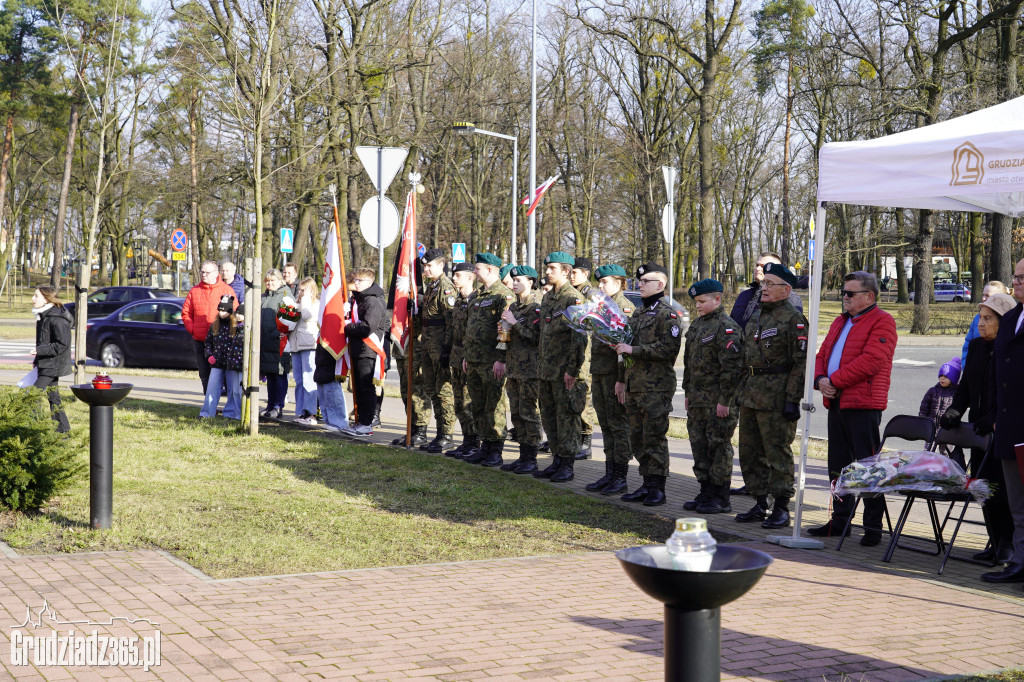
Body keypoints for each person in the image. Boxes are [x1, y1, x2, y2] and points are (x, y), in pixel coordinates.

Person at [809, 270, 897, 545]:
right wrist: (820, 380)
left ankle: (873, 527)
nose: (844, 297)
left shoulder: (883, 321)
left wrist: (833, 380)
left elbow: (872, 361)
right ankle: (840, 521)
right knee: (838, 466)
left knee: (869, 467)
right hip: (837, 401)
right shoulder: (840, 321)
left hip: (862, 404)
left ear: (869, 296)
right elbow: (822, 355)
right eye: (843, 292)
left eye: (850, 293)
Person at [941, 292, 1016, 565]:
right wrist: (954, 411)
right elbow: (967, 389)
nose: (981, 324)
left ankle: (1007, 544)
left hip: (1001, 427)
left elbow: (1008, 391)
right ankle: (994, 543)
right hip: (978, 430)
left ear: (1004, 321)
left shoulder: (1009, 349)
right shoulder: (975, 347)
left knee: (1003, 491)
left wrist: (992, 418)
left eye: (987, 319)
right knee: (983, 488)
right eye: (980, 318)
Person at [733, 262, 808, 528]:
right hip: (751, 394)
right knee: (750, 451)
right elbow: (745, 357)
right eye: (763, 283)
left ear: (786, 290)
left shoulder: (794, 319)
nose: (763, 288)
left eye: (769, 284)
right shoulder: (755, 316)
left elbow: (800, 364)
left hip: (777, 396)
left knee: (777, 452)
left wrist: (792, 399)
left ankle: (782, 506)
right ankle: (759, 502)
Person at [614, 263, 682, 506]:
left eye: (645, 282)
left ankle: (658, 488)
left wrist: (634, 349)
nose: (640, 285)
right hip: (634, 385)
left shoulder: (667, 314)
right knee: (638, 438)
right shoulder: (639, 314)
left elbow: (669, 348)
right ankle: (645, 484)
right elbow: (626, 351)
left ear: (660, 285)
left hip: (656, 388)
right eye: (639, 282)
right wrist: (621, 379)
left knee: (654, 438)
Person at [681, 279, 745, 514]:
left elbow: (732, 369)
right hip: (698, 399)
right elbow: (689, 364)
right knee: (699, 445)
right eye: (696, 302)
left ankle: (721, 496)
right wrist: (688, 392)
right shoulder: (698, 326)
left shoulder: (727, 327)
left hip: (718, 401)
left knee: (718, 446)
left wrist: (725, 401)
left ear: (717, 300)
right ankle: (705, 490)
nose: (697, 305)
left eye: (702, 301)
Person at [980, 259, 1024, 583]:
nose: (1016, 283)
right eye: (1015, 278)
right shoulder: (1010, 318)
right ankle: (1020, 562)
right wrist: (995, 416)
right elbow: (997, 373)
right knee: (1017, 504)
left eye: (1022, 278)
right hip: (1009, 427)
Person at [533, 252, 588, 482]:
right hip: (546, 370)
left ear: (565, 271)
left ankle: (567, 464)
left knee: (567, 419)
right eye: (546, 267)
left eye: (552, 268)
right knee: (549, 418)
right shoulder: (548, 298)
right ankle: (556, 460)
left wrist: (572, 371)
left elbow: (579, 338)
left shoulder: (573, 299)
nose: (547, 272)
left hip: (564, 371)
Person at [584, 264, 635, 494]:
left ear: (619, 283)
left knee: (618, 425)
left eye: (605, 282)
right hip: (600, 373)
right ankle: (609, 472)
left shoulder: (624, 308)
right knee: (605, 425)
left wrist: (622, 379)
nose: (600, 286)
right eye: (599, 282)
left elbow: (627, 349)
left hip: (615, 376)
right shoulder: (602, 306)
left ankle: (621, 476)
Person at [461, 253, 515, 466]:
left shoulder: (503, 294)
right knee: (478, 405)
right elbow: (470, 328)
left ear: (491, 270)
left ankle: (496, 449)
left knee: (494, 405)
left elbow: (506, 330)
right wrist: (466, 356)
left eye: (477, 269)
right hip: (474, 360)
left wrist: (501, 359)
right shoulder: (476, 295)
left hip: (492, 361)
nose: (474, 273)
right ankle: (484, 446)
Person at [498, 265, 543, 473]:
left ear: (531, 282)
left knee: (529, 414)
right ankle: (522, 456)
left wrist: (514, 323)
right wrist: (504, 329)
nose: (514, 283)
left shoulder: (535, 306)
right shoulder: (514, 307)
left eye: (519, 280)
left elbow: (535, 338)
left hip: (530, 369)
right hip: (514, 368)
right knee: (516, 414)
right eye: (513, 280)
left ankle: (531, 458)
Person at [418, 249, 457, 453]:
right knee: (432, 390)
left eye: (430, 265)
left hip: (440, 346)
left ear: (441, 265)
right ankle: (439, 433)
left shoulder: (445, 287)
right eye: (425, 266)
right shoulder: (431, 286)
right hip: (428, 345)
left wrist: (447, 349)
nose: (426, 269)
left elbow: (451, 321)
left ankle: (447, 435)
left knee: (444, 392)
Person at [342, 268, 389, 436]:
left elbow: (366, 327)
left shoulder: (372, 301)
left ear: (369, 283)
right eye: (354, 280)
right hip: (358, 349)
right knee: (359, 388)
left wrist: (346, 327)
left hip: (367, 349)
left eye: (358, 281)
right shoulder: (359, 299)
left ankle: (366, 423)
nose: (355, 283)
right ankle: (361, 421)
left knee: (366, 388)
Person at [183, 260, 236, 393]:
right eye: (202, 272)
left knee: (222, 374)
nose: (204, 275)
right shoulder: (194, 291)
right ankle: (209, 404)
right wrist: (193, 329)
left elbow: (233, 314)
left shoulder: (226, 290)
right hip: (200, 339)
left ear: (215, 273)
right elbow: (186, 313)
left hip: (220, 340)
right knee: (204, 374)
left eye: (207, 272)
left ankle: (227, 406)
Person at [444, 262, 479, 457]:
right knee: (458, 402)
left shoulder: (476, 300)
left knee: (468, 402)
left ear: (469, 277)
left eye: (458, 275)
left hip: (469, 358)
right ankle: (467, 440)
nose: (454, 279)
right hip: (456, 357)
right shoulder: (458, 300)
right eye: (453, 275)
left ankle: (474, 441)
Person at [29, 286, 73, 433]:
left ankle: (34, 429)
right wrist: (37, 361)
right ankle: (63, 430)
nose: (32, 299)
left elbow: (62, 344)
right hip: (46, 362)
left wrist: (39, 351)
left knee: (32, 396)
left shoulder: (56, 318)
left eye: (36, 296)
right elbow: (43, 341)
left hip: (53, 364)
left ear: (46, 299)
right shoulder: (43, 316)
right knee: (54, 397)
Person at [730, 251, 804, 331]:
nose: (757, 269)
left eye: (763, 266)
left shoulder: (789, 297)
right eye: (757, 265)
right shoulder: (743, 295)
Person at [569, 256, 597, 459]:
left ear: (585, 274)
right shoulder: (574, 293)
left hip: (586, 354)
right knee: (574, 396)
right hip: (575, 352)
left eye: (574, 272)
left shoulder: (591, 294)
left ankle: (586, 440)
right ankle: (575, 438)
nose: (571, 276)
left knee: (584, 396)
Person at [200, 295, 244, 420]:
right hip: (217, 363)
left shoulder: (236, 326)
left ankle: (232, 413)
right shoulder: (215, 324)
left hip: (231, 364)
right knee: (212, 388)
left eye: (224, 310)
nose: (221, 312)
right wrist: (209, 355)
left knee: (233, 390)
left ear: (230, 311)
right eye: (219, 310)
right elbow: (208, 342)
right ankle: (207, 412)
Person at [259, 269, 294, 419]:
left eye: (273, 281)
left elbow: (290, 318)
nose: (269, 284)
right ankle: (270, 404)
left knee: (279, 376)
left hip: (279, 344)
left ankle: (278, 406)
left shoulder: (286, 296)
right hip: (265, 343)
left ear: (280, 281)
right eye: (267, 281)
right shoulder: (263, 297)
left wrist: (278, 333)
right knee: (271, 376)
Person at [289, 278, 320, 423]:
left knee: (309, 380)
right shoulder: (301, 303)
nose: (300, 292)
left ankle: (311, 413)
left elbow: (307, 316)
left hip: (308, 345)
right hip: (296, 345)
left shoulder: (315, 304)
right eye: (299, 290)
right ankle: (301, 411)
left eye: (303, 290)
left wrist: (306, 299)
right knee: (299, 380)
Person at [961, 281, 1010, 367]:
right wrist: (966, 367)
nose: (983, 298)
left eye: (987, 296)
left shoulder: (1007, 320)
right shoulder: (977, 318)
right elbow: (967, 345)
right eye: (983, 295)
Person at [918, 358, 960, 430]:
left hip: (947, 430)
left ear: (954, 379)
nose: (942, 379)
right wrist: (923, 419)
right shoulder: (933, 391)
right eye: (941, 376)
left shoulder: (956, 393)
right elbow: (924, 407)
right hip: (931, 428)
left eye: (946, 377)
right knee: (930, 441)